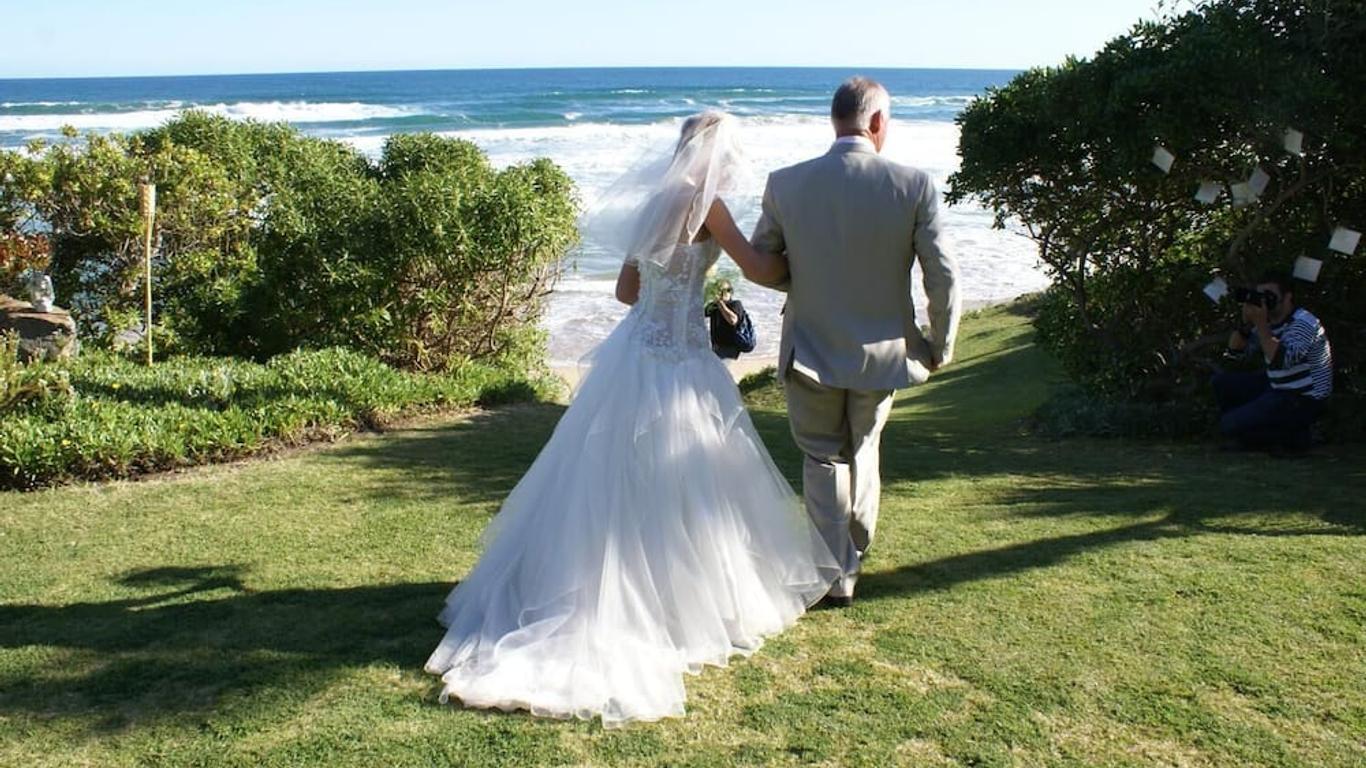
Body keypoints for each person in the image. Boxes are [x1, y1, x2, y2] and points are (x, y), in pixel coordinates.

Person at [424, 112, 840, 727]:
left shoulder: (652, 202)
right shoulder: (709, 204)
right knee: (687, 479)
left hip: (634, 352)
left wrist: (675, 292)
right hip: (680, 361)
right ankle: (673, 607)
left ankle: (586, 592)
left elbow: (626, 291)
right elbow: (759, 268)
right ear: (713, 154)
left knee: (612, 476)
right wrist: (804, 265)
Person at [750, 77, 961, 607]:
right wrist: (942, 341)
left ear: (834, 120)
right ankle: (853, 553)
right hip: (882, 350)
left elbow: (764, 264)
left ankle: (833, 573)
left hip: (811, 347)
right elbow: (942, 274)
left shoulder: (785, 183)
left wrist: (806, 278)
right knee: (863, 448)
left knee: (822, 457)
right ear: (877, 122)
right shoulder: (914, 185)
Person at [1213, 271, 1333, 452]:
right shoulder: (1268, 322)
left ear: (1287, 298)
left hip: (1303, 398)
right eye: (1261, 297)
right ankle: (1264, 435)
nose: (1264, 302)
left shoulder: (1304, 323)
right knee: (1221, 383)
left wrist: (1261, 324)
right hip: (1277, 387)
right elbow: (1233, 355)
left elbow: (1282, 361)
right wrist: (1246, 324)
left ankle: (1294, 436)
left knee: (1228, 425)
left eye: (1269, 296)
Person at [704, 279, 756, 359]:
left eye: (724, 290)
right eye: (718, 290)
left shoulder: (735, 304)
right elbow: (700, 314)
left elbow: (732, 320)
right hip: (717, 347)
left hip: (730, 348)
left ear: (730, 292)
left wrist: (720, 304)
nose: (721, 293)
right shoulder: (714, 307)